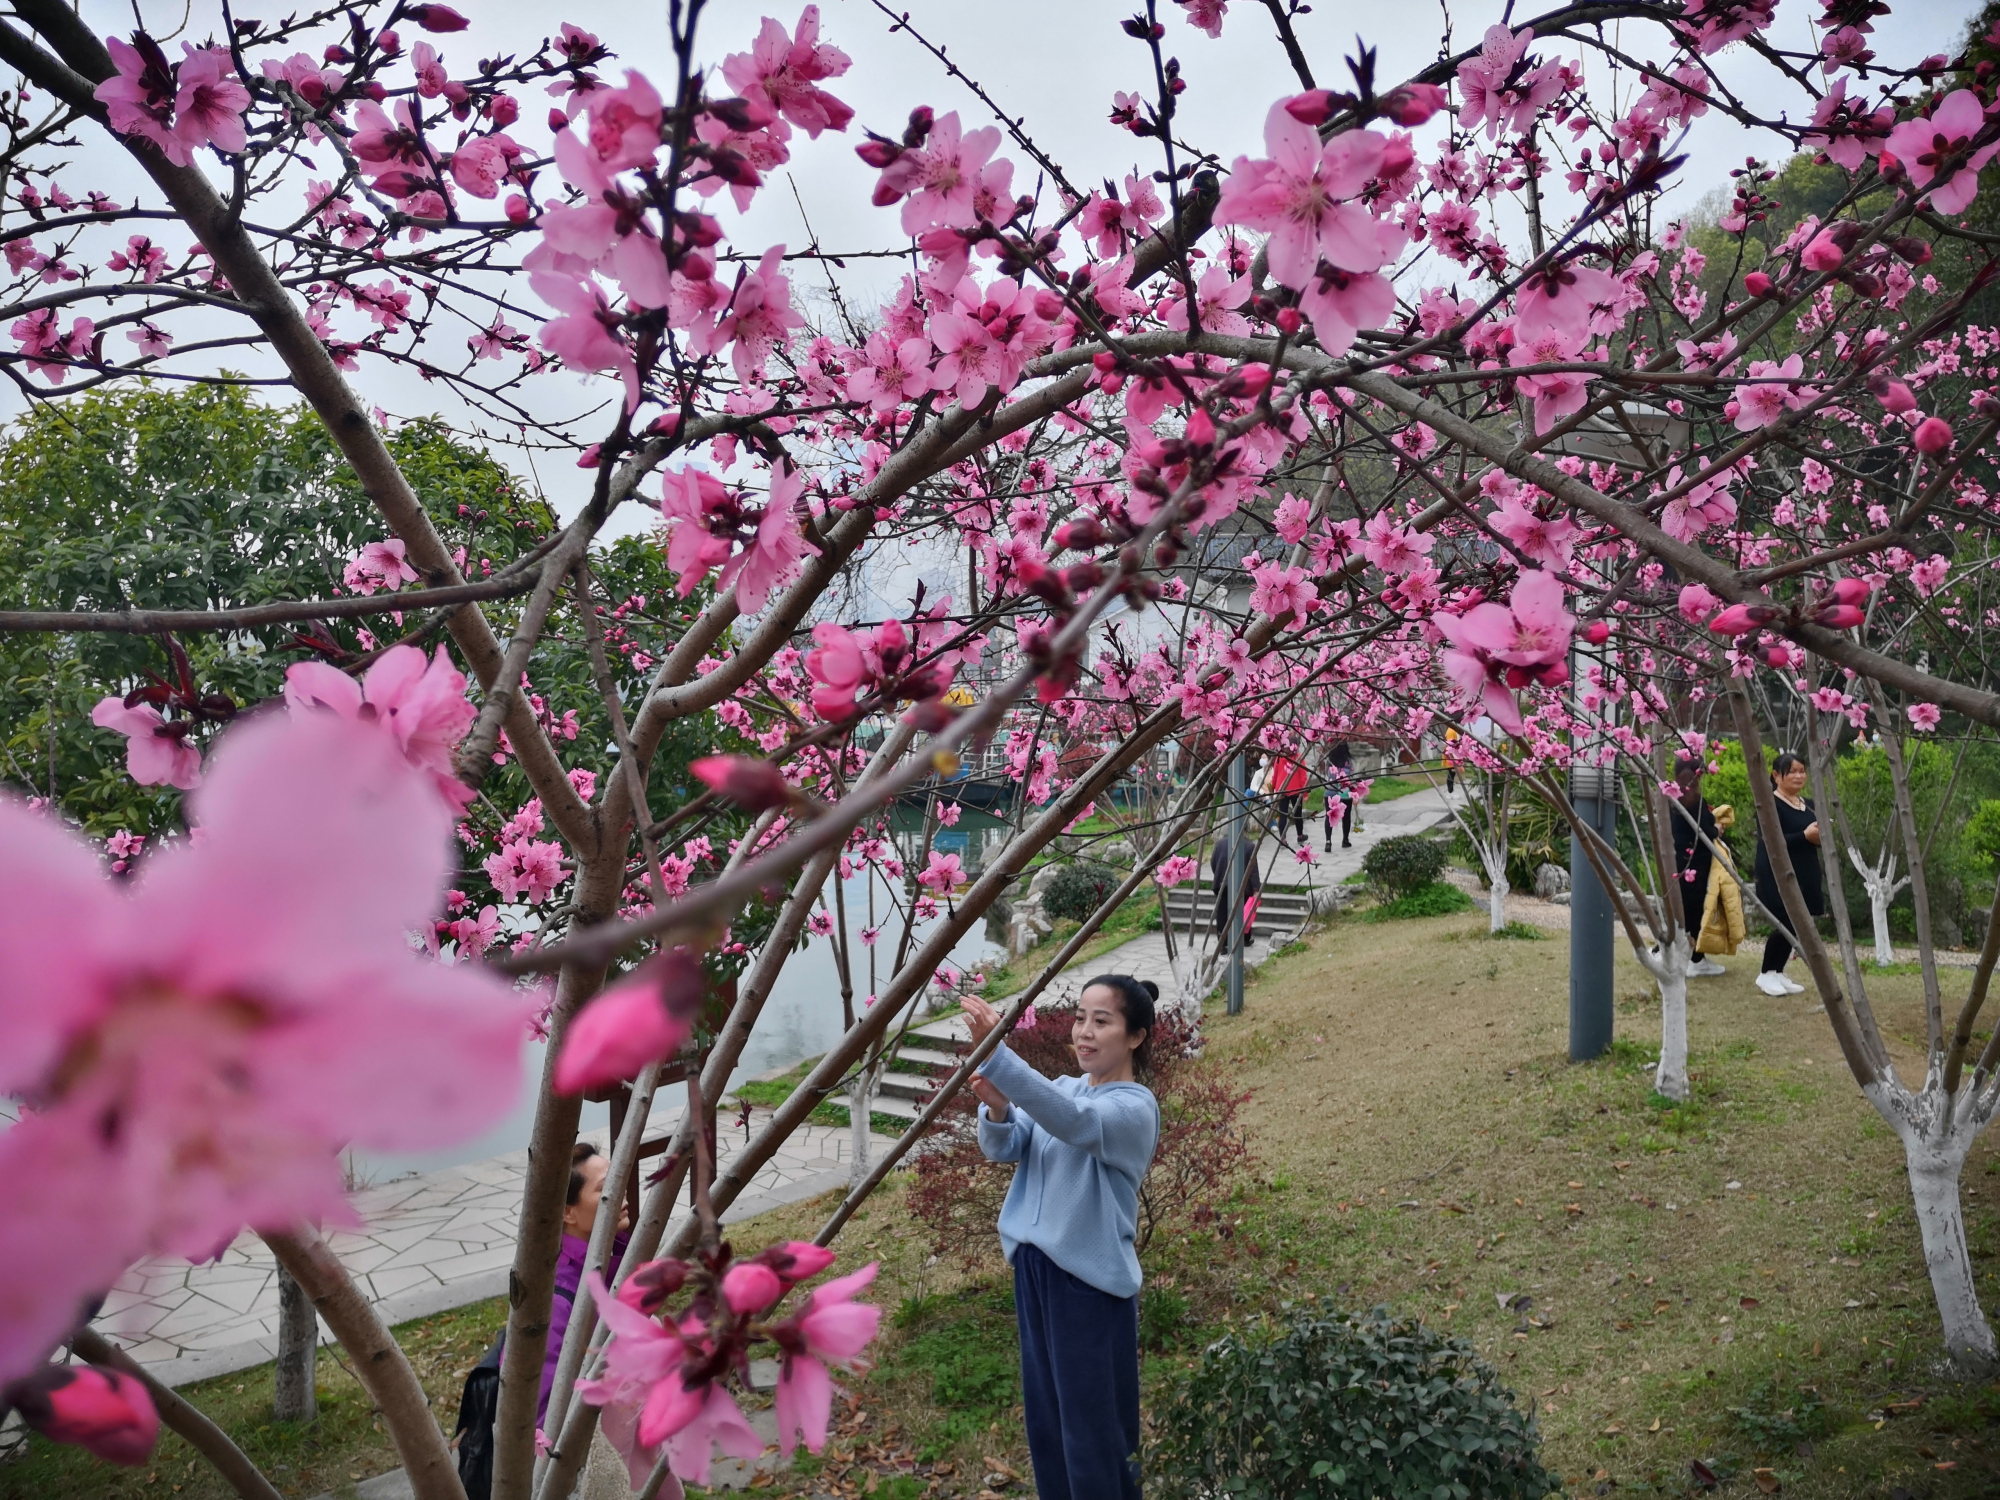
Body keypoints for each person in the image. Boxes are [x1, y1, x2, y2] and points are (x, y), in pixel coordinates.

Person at [962, 977, 1161, 1500]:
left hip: (1087, 1285)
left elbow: (1072, 1122)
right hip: (1035, 1271)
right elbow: (1011, 1145)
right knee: (1048, 1424)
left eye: (1102, 1021)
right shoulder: (1065, 1086)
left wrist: (1000, 1053)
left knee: (1094, 1431)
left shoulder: (1133, 1108)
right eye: (1080, 1018)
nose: (1085, 1032)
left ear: (1135, 1036)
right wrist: (1000, 1109)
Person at [454, 1142, 632, 1500]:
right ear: (568, 1213)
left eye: (618, 1181)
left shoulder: (617, 1256)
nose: (621, 1194)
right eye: (603, 1188)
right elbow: (540, 1418)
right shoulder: (556, 1302)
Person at [1753, 751, 1824, 996]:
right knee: (1784, 921)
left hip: (1805, 870)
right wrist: (1804, 836)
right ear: (1776, 775)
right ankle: (1765, 973)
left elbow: (1816, 836)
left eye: (1801, 771)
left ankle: (1777, 971)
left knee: (1799, 923)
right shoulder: (1769, 805)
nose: (1798, 776)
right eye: (1791, 771)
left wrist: (1819, 837)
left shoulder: (1810, 805)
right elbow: (1770, 841)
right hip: (1777, 872)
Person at [1669, 755, 1728, 977]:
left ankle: (1678, 953)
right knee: (1694, 910)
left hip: (1679, 860)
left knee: (1682, 910)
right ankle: (1694, 959)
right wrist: (1717, 830)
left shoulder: (1671, 796)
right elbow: (1704, 831)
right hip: (1695, 863)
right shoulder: (1693, 800)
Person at [1208, 829, 1261, 950]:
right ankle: (1245, 938)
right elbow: (1253, 870)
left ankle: (1223, 942)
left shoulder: (1220, 843)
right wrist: (1256, 888)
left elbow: (1213, 862)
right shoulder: (1249, 846)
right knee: (1244, 912)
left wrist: (1218, 874)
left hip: (1222, 884)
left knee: (1222, 913)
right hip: (1242, 886)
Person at [1268, 751, 1310, 844]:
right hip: (1296, 789)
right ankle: (1300, 835)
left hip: (1282, 789)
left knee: (1283, 815)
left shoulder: (1279, 757)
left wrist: (1273, 788)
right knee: (1298, 814)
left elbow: (1275, 775)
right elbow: (1303, 777)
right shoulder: (1299, 757)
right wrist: (1305, 793)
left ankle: (1283, 839)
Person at [1322, 739, 1358, 851]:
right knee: (1346, 817)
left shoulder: (1329, 761)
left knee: (1329, 817)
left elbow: (1325, 774)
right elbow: (1352, 777)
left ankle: (1328, 841)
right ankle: (1345, 840)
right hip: (1345, 793)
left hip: (1330, 792)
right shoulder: (1349, 762)